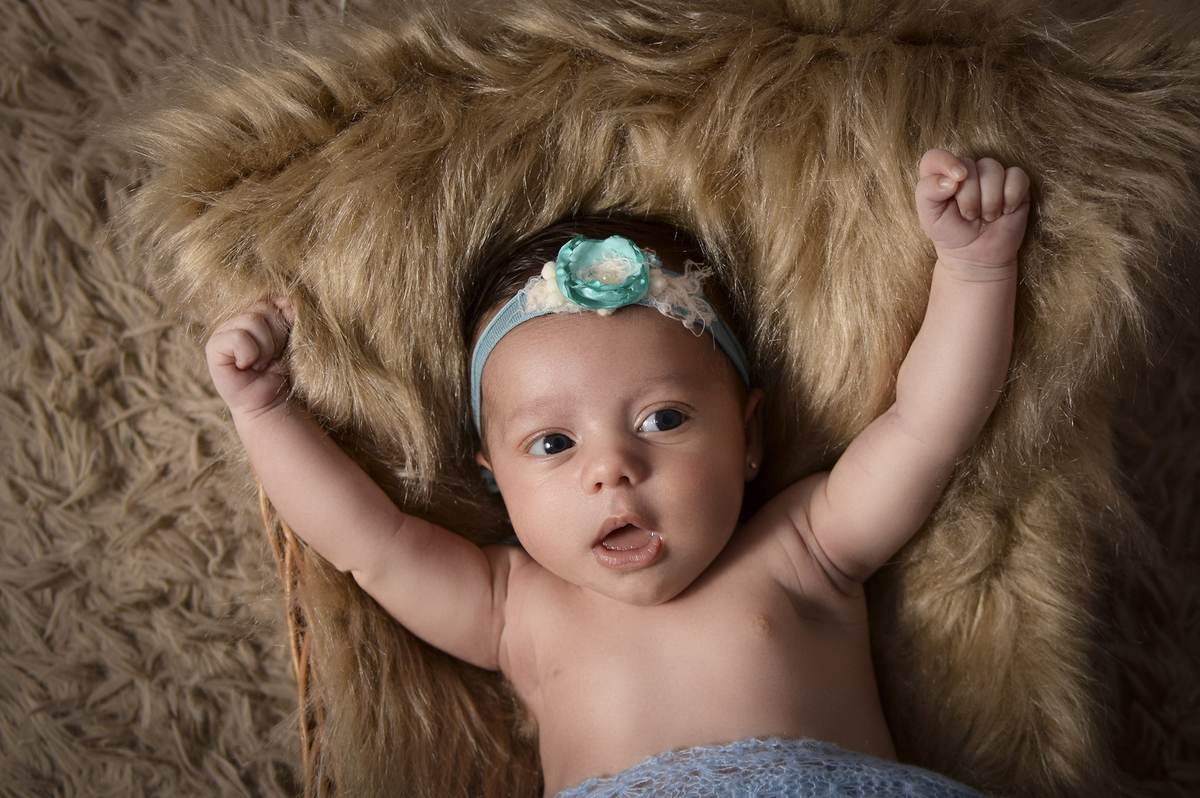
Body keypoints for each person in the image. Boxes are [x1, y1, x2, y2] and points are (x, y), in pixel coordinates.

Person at [206, 148, 1029, 797]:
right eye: (552, 444)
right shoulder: (514, 609)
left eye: (663, 420)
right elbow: (370, 543)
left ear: (747, 437)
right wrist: (266, 413)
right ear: (493, 477)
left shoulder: (806, 547)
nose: (612, 470)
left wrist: (975, 271)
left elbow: (927, 426)